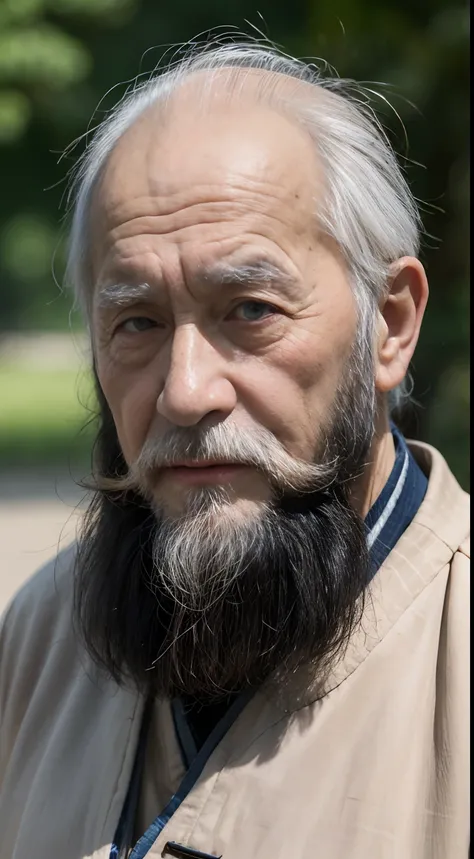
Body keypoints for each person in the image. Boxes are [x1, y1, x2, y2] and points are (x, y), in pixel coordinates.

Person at [0, 39, 469, 859]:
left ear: (389, 323)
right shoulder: (41, 640)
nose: (185, 391)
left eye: (249, 310)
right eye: (137, 322)